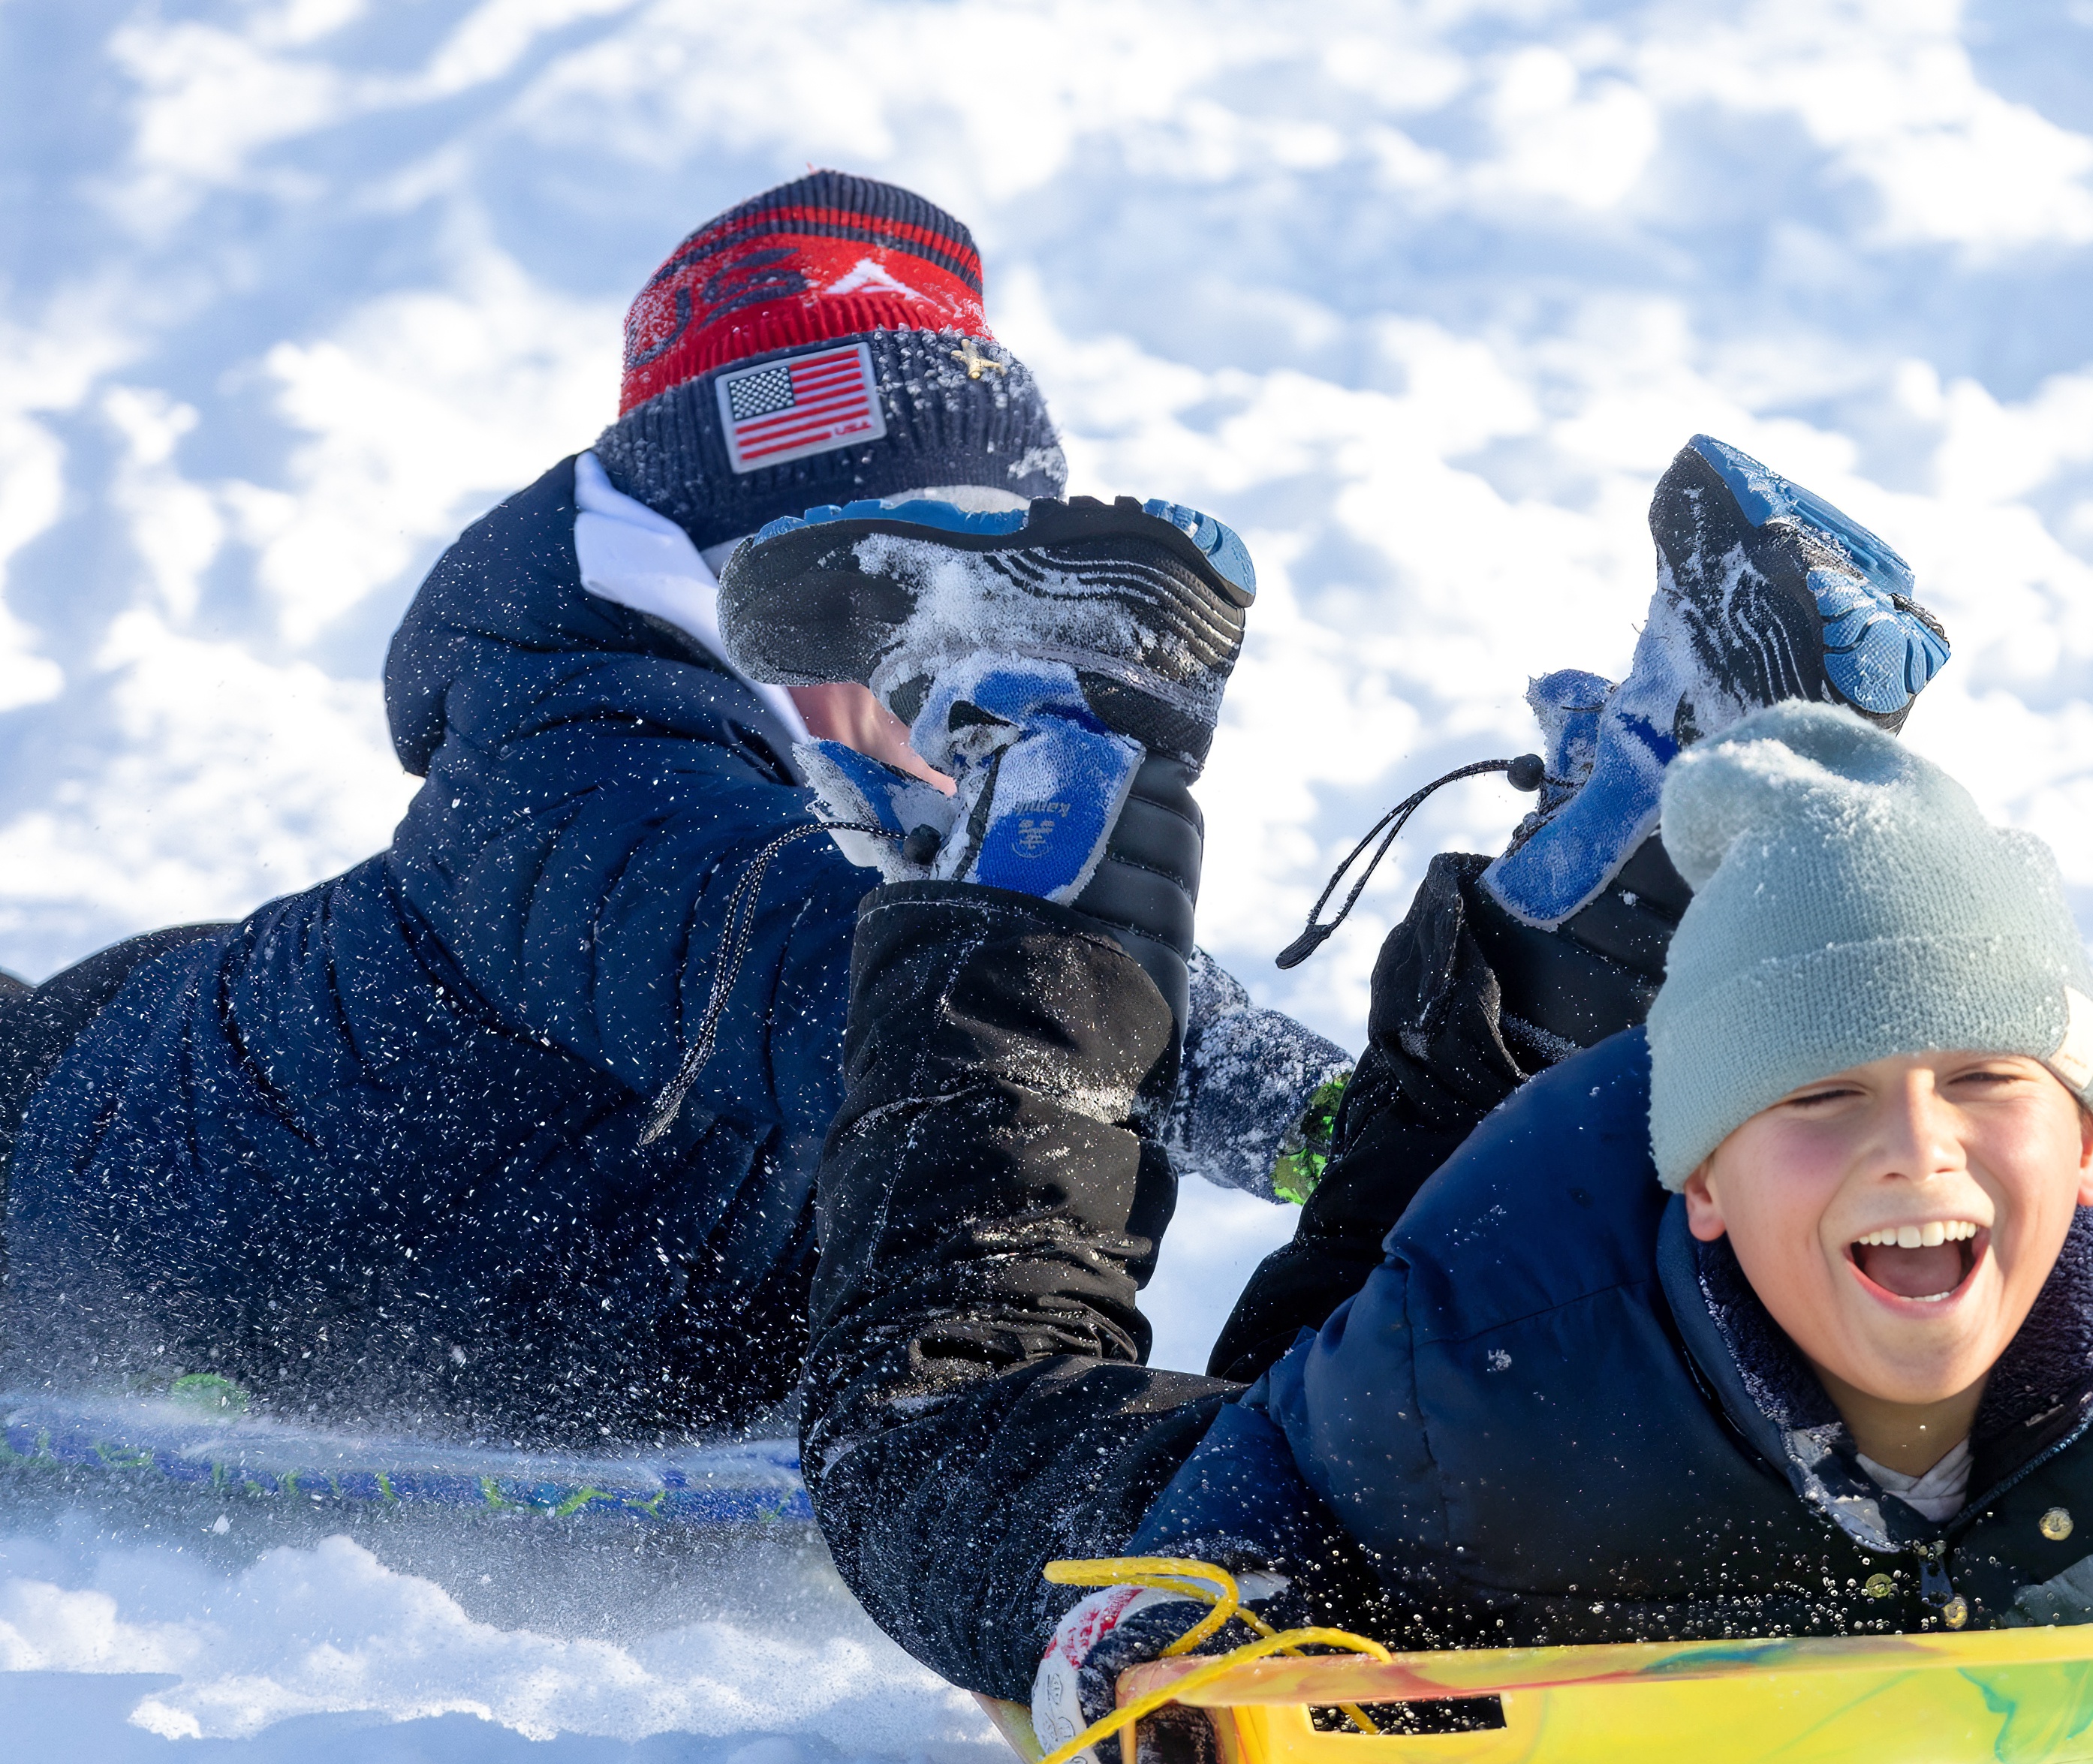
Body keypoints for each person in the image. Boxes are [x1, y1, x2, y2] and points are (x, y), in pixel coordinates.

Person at [736, 430, 2093, 1764]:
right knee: (944, 1427)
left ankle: (1684, 780)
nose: (1926, 1153)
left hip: (1585, 1262)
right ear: (1696, 1176)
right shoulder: (1486, 1374)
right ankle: (1068, 759)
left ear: (2090, 1145)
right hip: (1485, 1402)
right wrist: (1196, 1626)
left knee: (1588, 1201)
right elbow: (1287, 1457)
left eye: (1991, 1092)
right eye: (1828, 1104)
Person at [0, 172, 1345, 1434]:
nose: (942, 646)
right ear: (741, 553)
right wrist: (1293, 1120)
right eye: (893, 578)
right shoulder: (573, 763)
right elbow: (890, 995)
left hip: (475, 1201)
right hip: (119, 1203)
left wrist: (1348, 1120)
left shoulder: (862, 732)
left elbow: (1021, 941)